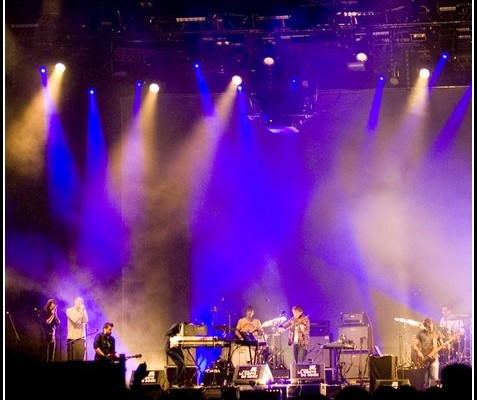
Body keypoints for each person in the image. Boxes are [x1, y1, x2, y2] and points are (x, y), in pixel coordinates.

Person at [411, 318, 448, 389]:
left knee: (434, 380)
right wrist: (418, 352)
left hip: (434, 359)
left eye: (430, 327)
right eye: (426, 327)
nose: (429, 329)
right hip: (424, 359)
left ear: (432, 324)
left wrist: (446, 346)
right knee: (425, 382)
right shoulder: (420, 333)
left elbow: (442, 346)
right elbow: (414, 345)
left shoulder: (437, 333)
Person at [66, 296, 89, 361]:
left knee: (80, 359)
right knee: (71, 359)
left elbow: (86, 320)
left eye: (81, 302)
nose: (80, 303)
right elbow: (74, 320)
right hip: (72, 338)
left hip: (81, 338)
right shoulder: (69, 310)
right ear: (75, 302)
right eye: (79, 301)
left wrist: (83, 312)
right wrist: (81, 313)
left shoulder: (83, 311)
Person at [164, 322, 186, 387]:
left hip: (176, 348)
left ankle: (177, 382)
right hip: (170, 348)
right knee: (181, 364)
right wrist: (172, 340)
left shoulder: (182, 329)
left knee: (181, 363)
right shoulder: (177, 326)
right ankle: (176, 383)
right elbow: (166, 336)